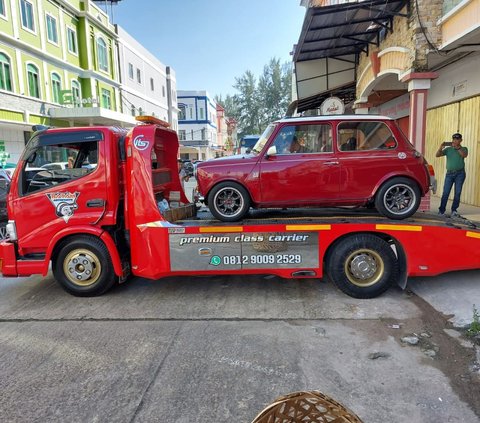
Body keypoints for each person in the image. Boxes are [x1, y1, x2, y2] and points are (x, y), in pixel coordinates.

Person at [436, 132, 468, 217]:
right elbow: (437, 155)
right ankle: (441, 211)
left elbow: (464, 155)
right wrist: (440, 148)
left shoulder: (464, 148)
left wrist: (457, 148)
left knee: (457, 193)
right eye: (454, 139)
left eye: (457, 139)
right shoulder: (448, 149)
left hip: (460, 174)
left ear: (461, 140)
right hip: (449, 174)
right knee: (446, 192)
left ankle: (454, 210)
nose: (455, 140)